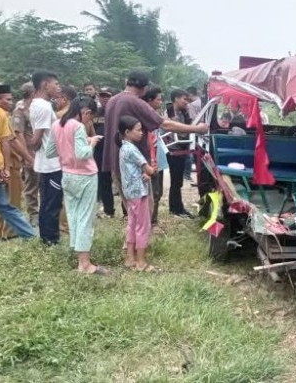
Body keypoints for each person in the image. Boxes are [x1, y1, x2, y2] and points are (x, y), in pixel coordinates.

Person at [101, 71, 209, 221]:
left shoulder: (112, 101)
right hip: (135, 163)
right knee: (144, 210)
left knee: (131, 208)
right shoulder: (135, 102)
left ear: (128, 82)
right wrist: (197, 129)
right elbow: (164, 124)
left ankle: (131, 241)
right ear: (144, 88)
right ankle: (140, 241)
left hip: (116, 160)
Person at [45, 96, 106, 275]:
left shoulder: (57, 125)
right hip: (86, 176)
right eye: (90, 116)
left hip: (67, 175)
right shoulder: (78, 126)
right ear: (86, 112)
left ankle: (81, 258)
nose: (89, 120)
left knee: (73, 216)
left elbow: (50, 152)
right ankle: (85, 264)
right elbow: (82, 154)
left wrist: (68, 148)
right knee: (86, 217)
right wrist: (92, 142)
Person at [118, 116, 156, 272]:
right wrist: (152, 170)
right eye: (138, 130)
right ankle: (140, 261)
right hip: (139, 192)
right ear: (127, 132)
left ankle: (130, 258)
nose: (141, 133)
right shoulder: (132, 149)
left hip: (129, 192)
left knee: (132, 224)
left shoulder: (123, 148)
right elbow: (149, 169)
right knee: (143, 225)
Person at [0, 84, 35, 240]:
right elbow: (9, 141)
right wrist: (29, 159)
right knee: (8, 203)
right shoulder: (2, 115)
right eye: (8, 99)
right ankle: (23, 234)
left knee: (3, 204)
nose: (11, 102)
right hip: (5, 164)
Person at [30, 71, 64, 245]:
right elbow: (36, 139)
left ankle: (46, 238)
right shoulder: (43, 107)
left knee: (47, 202)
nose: (59, 87)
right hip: (51, 164)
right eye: (56, 84)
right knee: (52, 203)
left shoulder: (37, 104)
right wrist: (33, 147)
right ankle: (51, 240)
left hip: (46, 163)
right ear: (45, 85)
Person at [11, 83, 39, 225]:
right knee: (31, 185)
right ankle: (34, 214)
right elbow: (18, 133)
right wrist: (26, 156)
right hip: (29, 151)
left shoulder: (35, 108)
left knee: (41, 183)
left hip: (40, 151)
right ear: (32, 93)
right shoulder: (20, 111)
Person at [164, 89, 193, 218]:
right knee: (176, 181)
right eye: (184, 99)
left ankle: (177, 207)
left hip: (181, 150)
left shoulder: (183, 113)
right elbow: (176, 130)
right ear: (176, 98)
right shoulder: (169, 113)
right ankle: (176, 209)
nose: (186, 102)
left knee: (178, 181)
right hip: (173, 150)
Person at [142, 87, 167, 225]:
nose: (161, 102)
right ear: (149, 100)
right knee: (153, 191)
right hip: (150, 160)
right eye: (158, 99)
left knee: (157, 191)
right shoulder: (146, 117)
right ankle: (149, 220)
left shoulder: (155, 115)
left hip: (158, 158)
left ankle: (152, 219)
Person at [94, 87, 115, 217]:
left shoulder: (117, 112)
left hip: (114, 150)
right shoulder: (95, 112)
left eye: (108, 96)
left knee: (120, 181)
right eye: (102, 96)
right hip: (100, 151)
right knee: (103, 181)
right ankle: (109, 210)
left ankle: (127, 212)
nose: (105, 98)